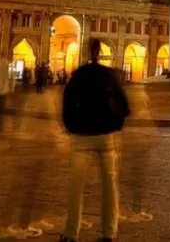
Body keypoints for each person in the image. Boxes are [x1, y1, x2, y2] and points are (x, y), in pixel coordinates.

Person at [59, 38, 130, 242]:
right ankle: (109, 233)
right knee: (110, 184)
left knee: (76, 186)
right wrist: (115, 124)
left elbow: (68, 104)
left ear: (87, 51)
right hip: (106, 136)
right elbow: (124, 105)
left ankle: (71, 234)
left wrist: (72, 126)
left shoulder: (78, 75)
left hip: (82, 136)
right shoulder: (108, 75)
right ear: (101, 51)